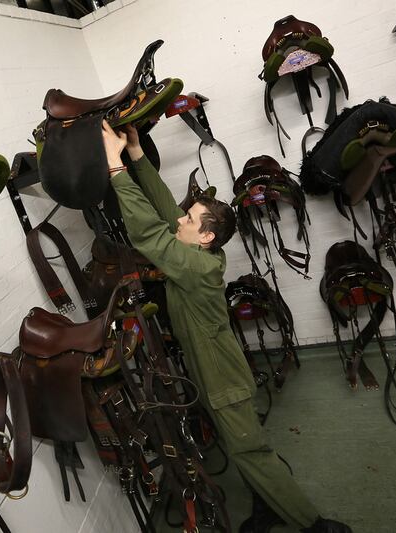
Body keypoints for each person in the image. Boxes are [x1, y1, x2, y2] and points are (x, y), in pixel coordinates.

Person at [101, 121, 352, 533]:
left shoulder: (196, 267)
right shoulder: (198, 252)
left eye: (190, 219)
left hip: (223, 383)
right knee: (241, 448)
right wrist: (136, 155)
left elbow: (148, 232)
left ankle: (316, 525)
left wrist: (115, 168)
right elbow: (166, 213)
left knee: (250, 450)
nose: (181, 220)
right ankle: (269, 507)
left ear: (206, 236)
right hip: (215, 375)